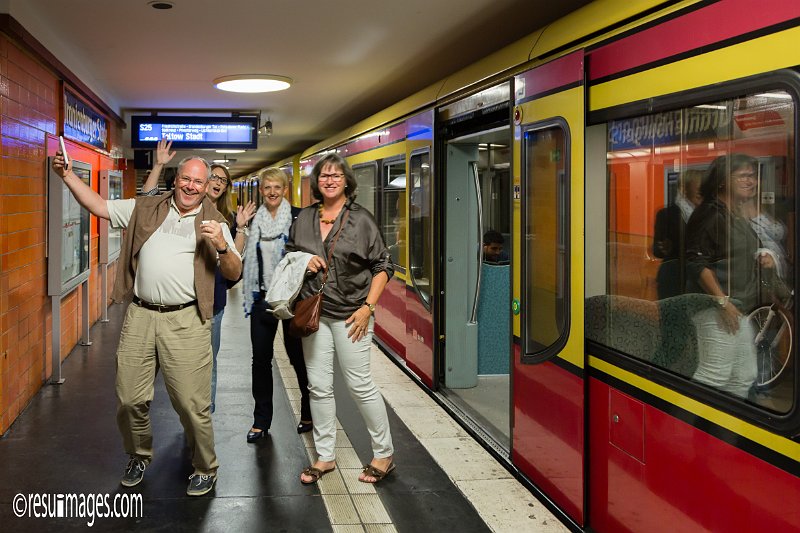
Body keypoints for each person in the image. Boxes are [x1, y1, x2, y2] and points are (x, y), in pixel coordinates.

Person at [52, 150, 242, 496]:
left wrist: (221, 247)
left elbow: (234, 272)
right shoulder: (145, 208)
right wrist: (66, 175)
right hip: (140, 315)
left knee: (190, 403)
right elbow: (99, 206)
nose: (191, 185)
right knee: (129, 398)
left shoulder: (215, 223)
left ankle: (206, 466)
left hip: (186, 320)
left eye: (199, 181)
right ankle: (138, 453)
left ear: (206, 187)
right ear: (176, 179)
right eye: (186, 178)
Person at [287, 153, 395, 485]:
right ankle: (325, 457)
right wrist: (303, 263)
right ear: (316, 182)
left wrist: (368, 308)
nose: (330, 180)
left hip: (352, 315)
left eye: (336, 175)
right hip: (313, 312)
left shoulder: (361, 220)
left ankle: (384, 453)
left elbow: (382, 266)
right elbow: (290, 253)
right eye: (324, 176)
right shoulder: (304, 217)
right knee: (318, 387)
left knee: (359, 385)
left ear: (347, 181)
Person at [142, 141, 246, 413]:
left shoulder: (227, 217)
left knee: (206, 361)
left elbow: (234, 262)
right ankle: (180, 410)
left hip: (214, 300)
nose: (217, 183)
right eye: (214, 177)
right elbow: (146, 198)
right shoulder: (175, 204)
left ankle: (203, 415)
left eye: (223, 180)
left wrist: (240, 230)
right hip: (182, 302)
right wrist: (159, 164)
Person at [685, 153, 773, 398]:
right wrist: (721, 301)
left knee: (743, 375)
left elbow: (746, 248)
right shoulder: (710, 214)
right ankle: (686, 430)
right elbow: (696, 261)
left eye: (752, 176)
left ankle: (724, 433)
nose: (751, 180)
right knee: (713, 376)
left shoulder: (732, 214)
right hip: (715, 308)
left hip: (736, 306)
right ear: (723, 181)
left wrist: (763, 255)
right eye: (743, 176)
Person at [240, 168, 312, 442]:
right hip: (262, 299)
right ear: (261, 190)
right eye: (267, 187)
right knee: (260, 360)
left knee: (298, 357)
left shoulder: (300, 217)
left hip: (293, 299)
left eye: (277, 187)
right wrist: (241, 227)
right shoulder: (254, 218)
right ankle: (261, 420)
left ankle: (308, 412)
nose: (272, 192)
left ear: (285, 189)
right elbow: (242, 256)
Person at [652, 170, 703, 299]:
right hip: (673, 279)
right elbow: (657, 250)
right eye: (699, 185)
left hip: (702, 280)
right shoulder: (666, 214)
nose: (702, 190)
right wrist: (663, 247)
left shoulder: (711, 215)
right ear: (684, 189)